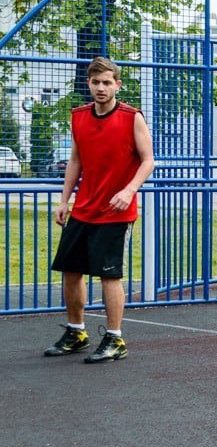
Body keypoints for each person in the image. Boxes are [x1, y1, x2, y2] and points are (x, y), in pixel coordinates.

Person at [43, 56, 155, 364]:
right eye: (95, 82)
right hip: (83, 209)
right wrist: (64, 200)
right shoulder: (78, 116)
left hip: (116, 211)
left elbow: (148, 161)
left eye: (107, 82)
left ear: (117, 84)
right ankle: (77, 332)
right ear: (89, 84)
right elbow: (75, 162)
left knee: (109, 276)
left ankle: (115, 339)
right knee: (70, 271)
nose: (101, 88)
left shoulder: (132, 117)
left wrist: (129, 189)